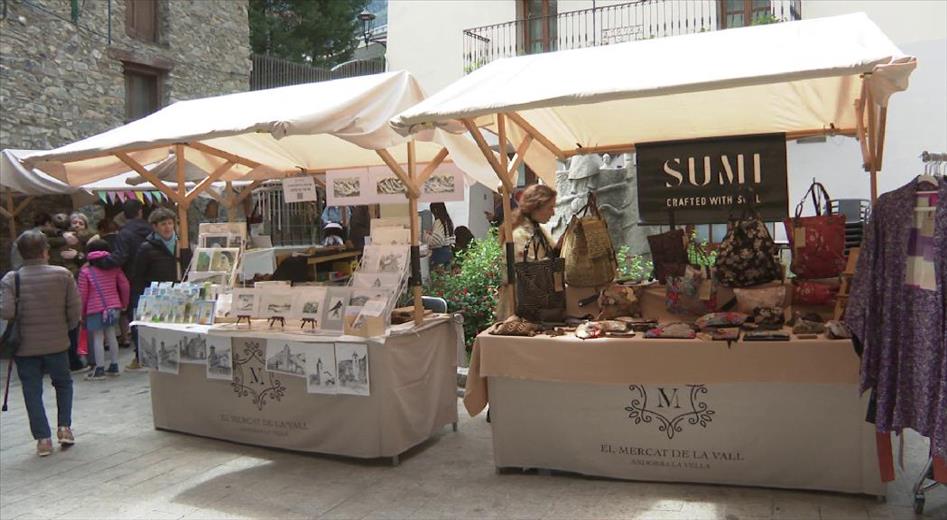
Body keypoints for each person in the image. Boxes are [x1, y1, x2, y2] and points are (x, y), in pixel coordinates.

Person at [0, 230, 81, 456]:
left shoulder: (11, 279)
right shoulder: (63, 274)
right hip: (57, 342)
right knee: (63, 383)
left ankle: (43, 439)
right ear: (46, 250)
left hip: (25, 346)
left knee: (31, 390)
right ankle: (64, 427)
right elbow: (75, 310)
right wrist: (67, 328)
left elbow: (6, 311)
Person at [127, 208, 189, 369]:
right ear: (155, 227)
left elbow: (189, 267)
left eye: (170, 223)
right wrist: (140, 298)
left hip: (180, 293)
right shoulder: (146, 248)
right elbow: (138, 275)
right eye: (163, 224)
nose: (168, 227)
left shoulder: (182, 244)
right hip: (158, 297)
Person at [77, 240, 130, 380]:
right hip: (114, 306)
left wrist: (81, 312)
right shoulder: (115, 268)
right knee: (111, 335)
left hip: (94, 308)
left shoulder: (86, 271)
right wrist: (124, 303)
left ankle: (99, 369)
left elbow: (82, 294)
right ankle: (114, 365)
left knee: (98, 337)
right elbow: (124, 286)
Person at [502, 184, 558, 263]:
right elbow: (529, 270)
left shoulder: (538, 230)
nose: (553, 213)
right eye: (550, 208)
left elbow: (551, 250)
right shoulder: (518, 235)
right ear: (535, 206)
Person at [426, 202, 455, 267]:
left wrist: (426, 235)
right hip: (448, 253)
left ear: (435, 210)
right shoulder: (448, 221)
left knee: (437, 275)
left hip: (439, 254)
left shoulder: (439, 222)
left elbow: (436, 241)